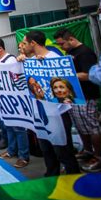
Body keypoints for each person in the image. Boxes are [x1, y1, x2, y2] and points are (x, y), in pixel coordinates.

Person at [21, 30, 80, 176]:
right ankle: (52, 175)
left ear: (33, 43)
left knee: (63, 149)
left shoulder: (54, 58)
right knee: (46, 149)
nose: (22, 46)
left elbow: (66, 83)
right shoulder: (30, 61)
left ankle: (74, 178)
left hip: (57, 113)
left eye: (24, 43)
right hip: (41, 113)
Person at [54, 28, 101, 172]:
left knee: (92, 126)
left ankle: (99, 157)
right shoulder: (70, 52)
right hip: (74, 96)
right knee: (80, 126)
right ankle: (88, 151)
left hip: (87, 95)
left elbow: (89, 75)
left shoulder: (85, 53)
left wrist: (69, 74)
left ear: (71, 39)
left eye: (62, 44)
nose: (62, 47)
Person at [0, 38, 29, 168]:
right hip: (2, 99)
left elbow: (18, 79)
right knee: (8, 125)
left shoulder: (11, 60)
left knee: (19, 128)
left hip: (14, 99)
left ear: (0, 48)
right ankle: (12, 150)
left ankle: (23, 156)